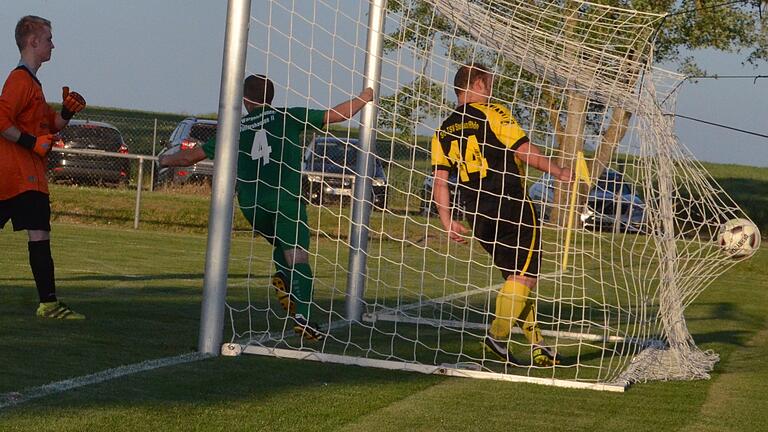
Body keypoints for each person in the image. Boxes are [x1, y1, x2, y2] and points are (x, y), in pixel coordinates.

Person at [159, 75, 373, 341]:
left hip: (251, 205)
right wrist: (365, 97)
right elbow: (337, 115)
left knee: (279, 246)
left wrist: (166, 159)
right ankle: (303, 317)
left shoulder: (235, 127)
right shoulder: (289, 117)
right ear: (270, 97)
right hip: (285, 202)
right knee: (298, 257)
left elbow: (192, 156)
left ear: (245, 99)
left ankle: (283, 277)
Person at [431, 63, 572, 366]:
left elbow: (440, 181)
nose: (491, 89)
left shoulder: (443, 129)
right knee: (526, 277)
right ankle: (496, 335)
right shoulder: (493, 112)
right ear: (479, 84)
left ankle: (538, 345)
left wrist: (447, 221)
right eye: (490, 83)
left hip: (476, 214)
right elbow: (523, 151)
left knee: (515, 279)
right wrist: (559, 171)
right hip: (511, 204)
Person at [0, 16, 87, 319]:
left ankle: (49, 303)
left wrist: (66, 111)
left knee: (39, 235)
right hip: (17, 176)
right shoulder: (19, 80)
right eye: (49, 38)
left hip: (26, 178)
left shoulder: (33, 84)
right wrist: (30, 144)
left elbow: (52, 125)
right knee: (39, 236)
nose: (53, 44)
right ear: (33, 41)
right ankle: (49, 303)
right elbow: (1, 122)